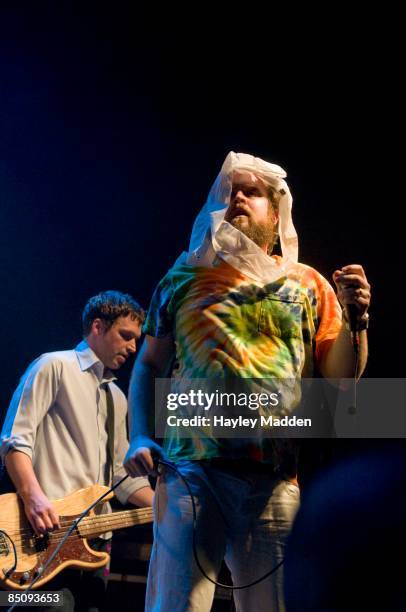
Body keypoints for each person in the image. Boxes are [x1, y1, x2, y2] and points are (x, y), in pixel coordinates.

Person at [124, 152, 371, 611]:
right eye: (231, 190)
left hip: (274, 478)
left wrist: (357, 319)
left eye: (253, 191)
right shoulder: (185, 277)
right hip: (192, 471)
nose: (238, 196)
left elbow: (342, 380)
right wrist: (139, 432)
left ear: (276, 215)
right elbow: (147, 366)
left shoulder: (308, 283)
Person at [0, 290, 154, 611]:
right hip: (43, 537)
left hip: (95, 547)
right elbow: (15, 440)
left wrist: (171, 508)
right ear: (97, 327)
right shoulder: (54, 366)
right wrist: (34, 497)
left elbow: (122, 479)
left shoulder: (118, 398)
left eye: (136, 339)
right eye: (125, 335)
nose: (133, 347)